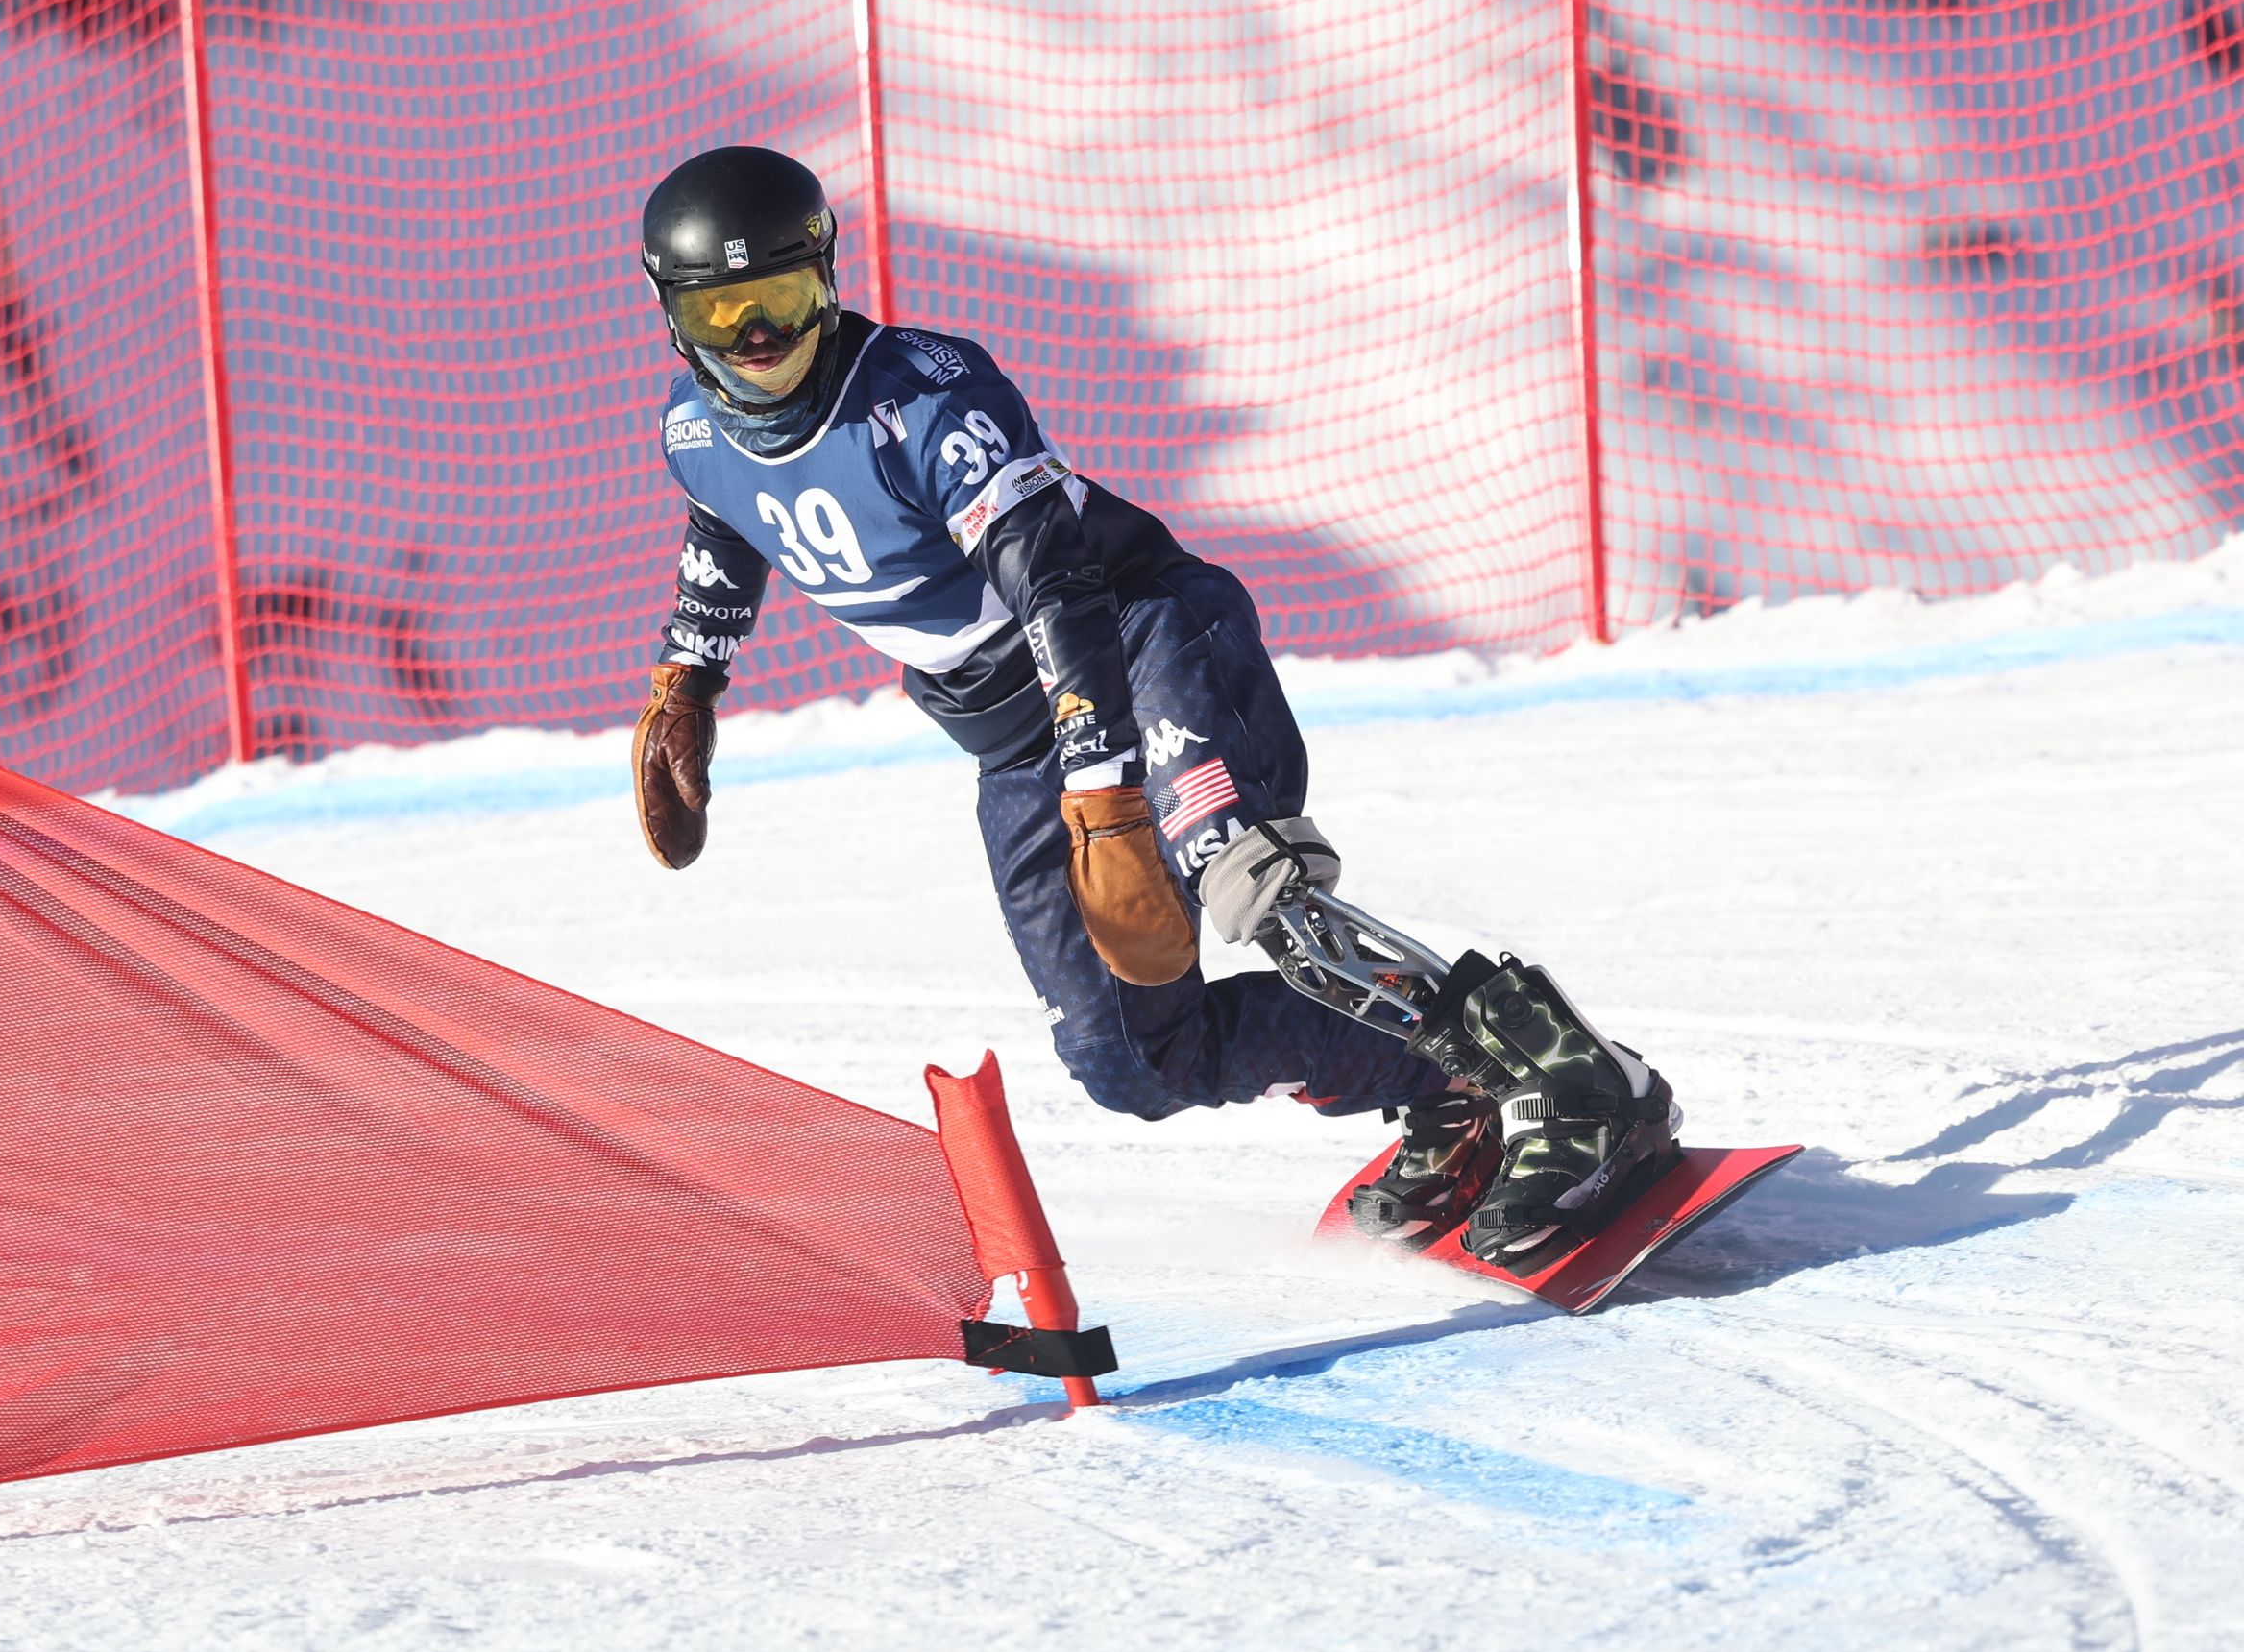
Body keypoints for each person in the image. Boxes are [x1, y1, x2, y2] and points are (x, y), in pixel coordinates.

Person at [625, 146, 1677, 1269]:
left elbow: (1051, 577)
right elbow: (728, 521)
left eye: (782, 302)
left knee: (1250, 880)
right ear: (675, 318)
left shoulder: (924, 398)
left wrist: (1101, 781)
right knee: (1130, 1056)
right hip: (1010, 740)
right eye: (725, 313)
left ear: (827, 280)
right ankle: (1452, 1087)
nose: (759, 340)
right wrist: (689, 680)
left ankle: (1576, 1081)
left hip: (1132, 642)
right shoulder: (694, 433)